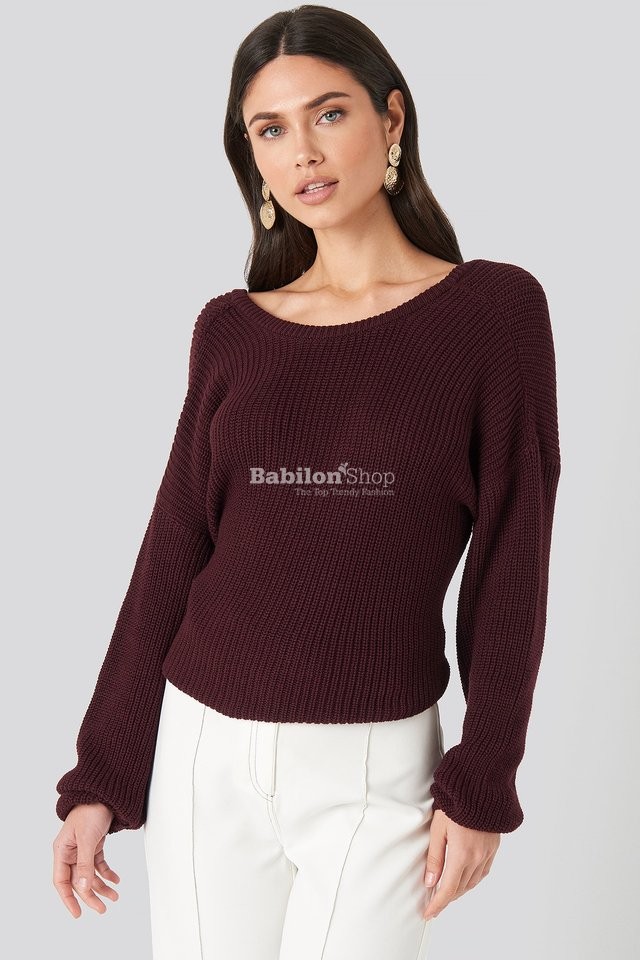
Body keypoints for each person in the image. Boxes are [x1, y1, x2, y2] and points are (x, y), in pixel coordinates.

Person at [52, 5, 562, 959]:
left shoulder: (494, 315)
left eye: (329, 114)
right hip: (203, 751)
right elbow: (174, 548)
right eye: (270, 129)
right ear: (251, 156)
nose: (304, 153)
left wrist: (483, 777)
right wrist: (102, 774)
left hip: (376, 764)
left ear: (392, 118)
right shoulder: (231, 329)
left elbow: (512, 562)